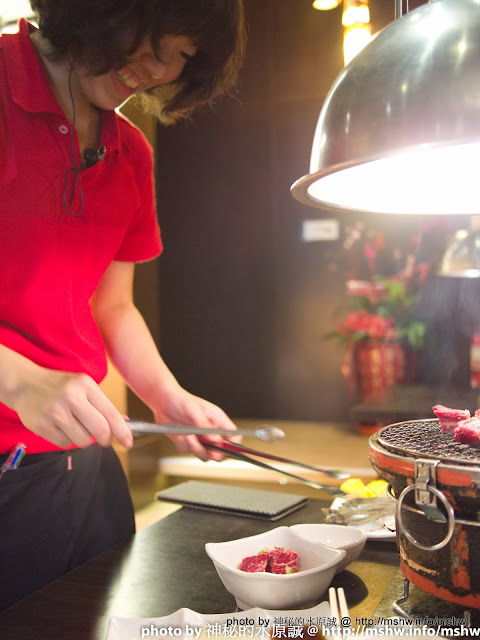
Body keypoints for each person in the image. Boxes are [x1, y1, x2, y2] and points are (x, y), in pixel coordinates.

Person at [0, 0, 246, 611]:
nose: (158, 67)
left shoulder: (131, 152)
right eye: (152, 38)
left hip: (84, 454)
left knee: (103, 615)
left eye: (183, 55)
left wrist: (168, 398)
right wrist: (22, 380)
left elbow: (114, 308)